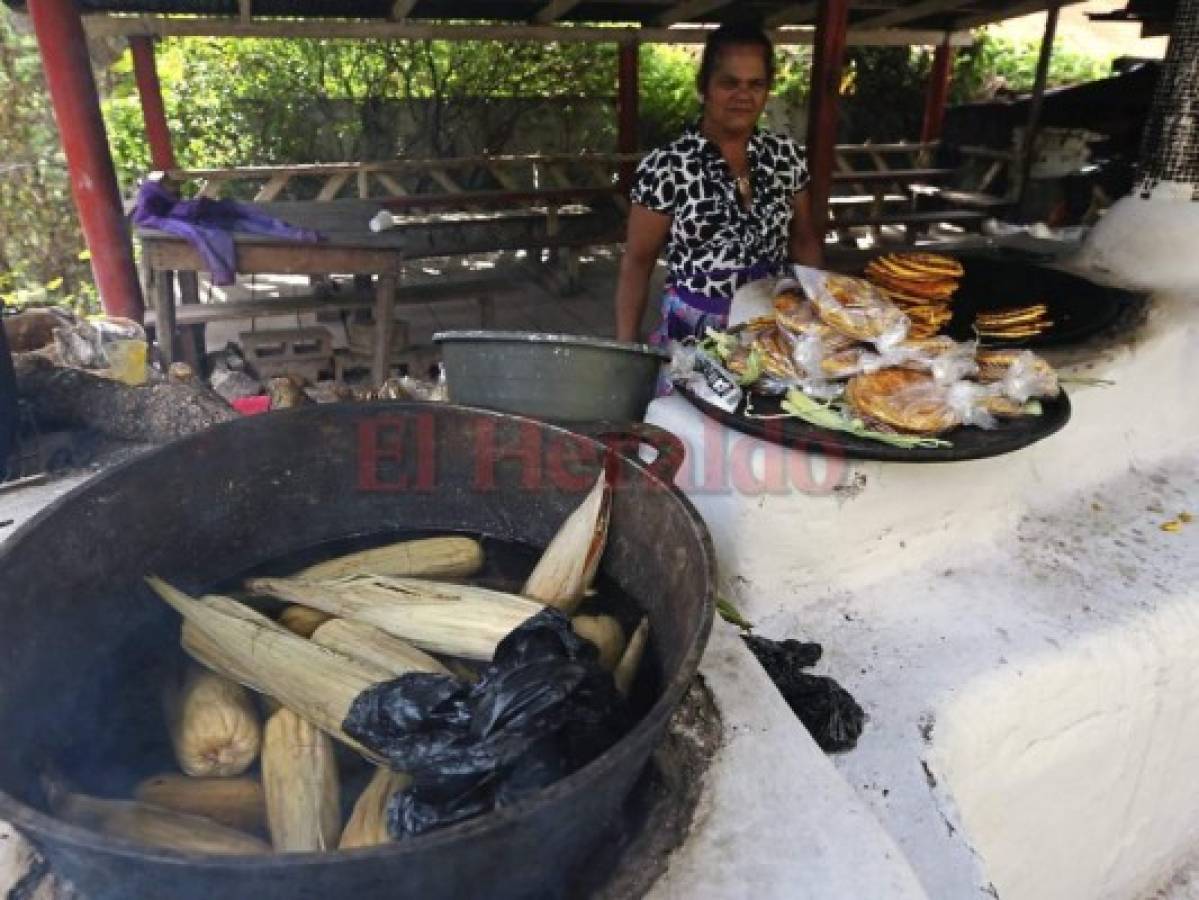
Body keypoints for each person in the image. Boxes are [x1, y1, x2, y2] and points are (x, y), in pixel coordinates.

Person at [615, 22, 823, 345]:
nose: (743, 96)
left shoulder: (787, 158)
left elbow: (804, 241)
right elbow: (638, 262)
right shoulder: (667, 167)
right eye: (729, 83)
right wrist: (625, 347)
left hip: (773, 335)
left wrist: (818, 319)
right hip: (693, 340)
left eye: (756, 84)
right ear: (704, 86)